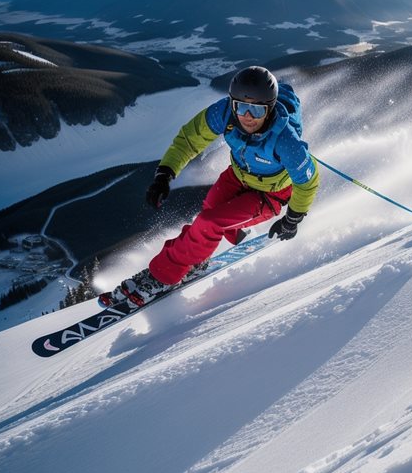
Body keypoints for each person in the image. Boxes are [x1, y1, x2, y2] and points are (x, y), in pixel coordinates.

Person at [101, 66, 319, 307]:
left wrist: (293, 218)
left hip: (270, 194)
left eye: (257, 110)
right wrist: (165, 173)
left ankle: (162, 276)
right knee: (208, 211)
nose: (247, 117)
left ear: (269, 108)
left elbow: (307, 181)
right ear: (232, 103)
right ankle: (193, 262)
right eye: (241, 107)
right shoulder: (224, 113)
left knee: (210, 223)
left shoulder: (286, 141)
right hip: (238, 176)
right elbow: (189, 139)